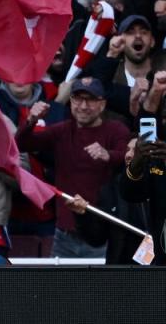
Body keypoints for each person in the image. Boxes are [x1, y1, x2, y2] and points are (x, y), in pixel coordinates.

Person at [18, 77, 131, 258]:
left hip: (102, 233)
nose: (83, 106)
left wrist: (108, 155)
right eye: (78, 99)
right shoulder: (62, 131)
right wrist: (31, 121)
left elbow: (129, 159)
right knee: (61, 286)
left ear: (102, 104)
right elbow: (22, 145)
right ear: (70, 102)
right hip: (64, 234)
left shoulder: (116, 130)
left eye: (91, 100)